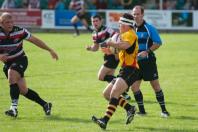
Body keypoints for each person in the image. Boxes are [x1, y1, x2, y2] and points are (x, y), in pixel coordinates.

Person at [0, 12, 59, 117]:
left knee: (11, 74)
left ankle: (13, 109)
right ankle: (45, 104)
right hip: (8, 63)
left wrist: (50, 50)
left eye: (11, 22)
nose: (10, 24)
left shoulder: (19, 31)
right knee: (23, 90)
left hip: (20, 60)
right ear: (1, 24)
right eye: (7, 22)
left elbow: (35, 40)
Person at [91, 13, 139, 130]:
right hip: (125, 69)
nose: (119, 25)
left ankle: (104, 120)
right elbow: (119, 51)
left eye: (121, 23)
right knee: (106, 94)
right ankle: (129, 108)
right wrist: (111, 51)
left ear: (127, 25)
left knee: (114, 94)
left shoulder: (130, 34)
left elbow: (125, 46)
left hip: (131, 69)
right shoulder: (123, 34)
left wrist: (111, 43)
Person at [131, 5, 170, 117]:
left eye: (138, 14)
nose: (136, 16)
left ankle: (164, 111)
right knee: (134, 87)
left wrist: (147, 51)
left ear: (143, 14)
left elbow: (158, 42)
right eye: (134, 14)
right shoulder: (130, 29)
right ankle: (142, 111)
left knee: (155, 86)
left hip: (148, 62)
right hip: (135, 63)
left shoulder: (149, 28)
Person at [86, 14, 131, 100]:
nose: (95, 23)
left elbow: (118, 38)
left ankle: (124, 86)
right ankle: (124, 92)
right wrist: (90, 49)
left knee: (101, 76)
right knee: (110, 77)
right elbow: (95, 47)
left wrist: (117, 53)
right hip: (106, 56)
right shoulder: (94, 33)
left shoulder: (107, 30)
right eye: (93, 21)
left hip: (113, 56)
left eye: (96, 21)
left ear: (101, 21)